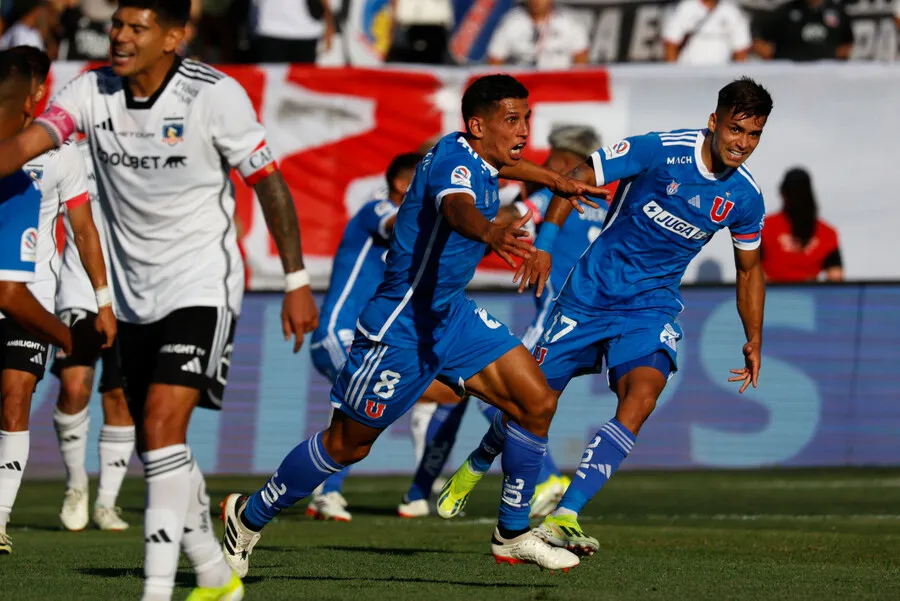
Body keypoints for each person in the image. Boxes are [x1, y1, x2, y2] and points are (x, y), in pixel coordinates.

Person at [220, 74, 607, 575]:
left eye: (526, 118)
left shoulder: (482, 155)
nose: (523, 130)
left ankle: (512, 534)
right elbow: (457, 209)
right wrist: (491, 232)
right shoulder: (452, 165)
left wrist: (555, 180)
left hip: (452, 316)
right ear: (477, 125)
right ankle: (248, 515)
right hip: (400, 326)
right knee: (347, 444)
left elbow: (509, 164)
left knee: (536, 401)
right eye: (512, 119)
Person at [0, 0, 319, 597]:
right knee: (157, 445)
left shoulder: (214, 95)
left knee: (161, 425)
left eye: (136, 28)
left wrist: (296, 280)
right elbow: (28, 143)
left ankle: (156, 590)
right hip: (131, 294)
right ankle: (215, 574)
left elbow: (269, 182)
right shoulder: (89, 91)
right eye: (117, 25)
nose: (120, 37)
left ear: (173, 37)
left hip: (201, 282)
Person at [440, 77, 773, 558]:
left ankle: (565, 513)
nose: (742, 143)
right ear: (714, 122)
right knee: (529, 405)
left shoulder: (745, 197)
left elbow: (749, 270)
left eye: (754, 134)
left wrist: (753, 337)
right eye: (735, 130)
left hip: (649, 308)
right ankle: (480, 459)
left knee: (641, 397)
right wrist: (546, 246)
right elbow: (574, 176)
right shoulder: (658, 150)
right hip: (587, 298)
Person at [403, 124, 608, 521]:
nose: (545, 166)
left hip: (557, 318)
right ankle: (422, 490)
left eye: (551, 159)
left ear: (568, 162)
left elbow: (507, 218)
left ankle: (542, 479)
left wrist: (449, 210)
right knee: (524, 398)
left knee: (495, 387)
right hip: (600, 319)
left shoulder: (553, 196)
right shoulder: (602, 203)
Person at [303, 151, 466, 522]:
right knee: (361, 402)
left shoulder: (417, 235)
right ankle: (325, 491)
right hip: (336, 334)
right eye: (425, 182)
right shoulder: (375, 210)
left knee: (449, 393)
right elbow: (395, 223)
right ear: (401, 184)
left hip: (370, 339)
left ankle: (418, 491)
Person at [1, 46, 115, 556]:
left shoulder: (62, 154)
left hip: (33, 299)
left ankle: (0, 519)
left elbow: (84, 230)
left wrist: (103, 301)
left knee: (15, 397)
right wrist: (70, 338)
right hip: (14, 294)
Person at [761, 167, 842, 282]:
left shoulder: (764, 227)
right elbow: (836, 277)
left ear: (783, 194)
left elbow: (751, 270)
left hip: (771, 292)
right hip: (806, 292)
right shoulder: (827, 233)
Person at [486, 0, 589, 68]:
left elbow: (581, 61)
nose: (536, 1)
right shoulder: (510, 23)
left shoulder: (570, 23)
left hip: (560, 86)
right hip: (521, 87)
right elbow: (495, 60)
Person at [752, 0, 853, 61]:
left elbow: (848, 44)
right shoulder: (786, 11)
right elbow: (759, 36)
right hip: (790, 73)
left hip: (828, 72)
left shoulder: (838, 12)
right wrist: (761, 47)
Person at [662, 0, 751, 65]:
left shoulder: (732, 10)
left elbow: (741, 48)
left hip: (722, 73)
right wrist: (673, 73)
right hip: (689, 71)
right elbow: (671, 43)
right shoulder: (686, 7)